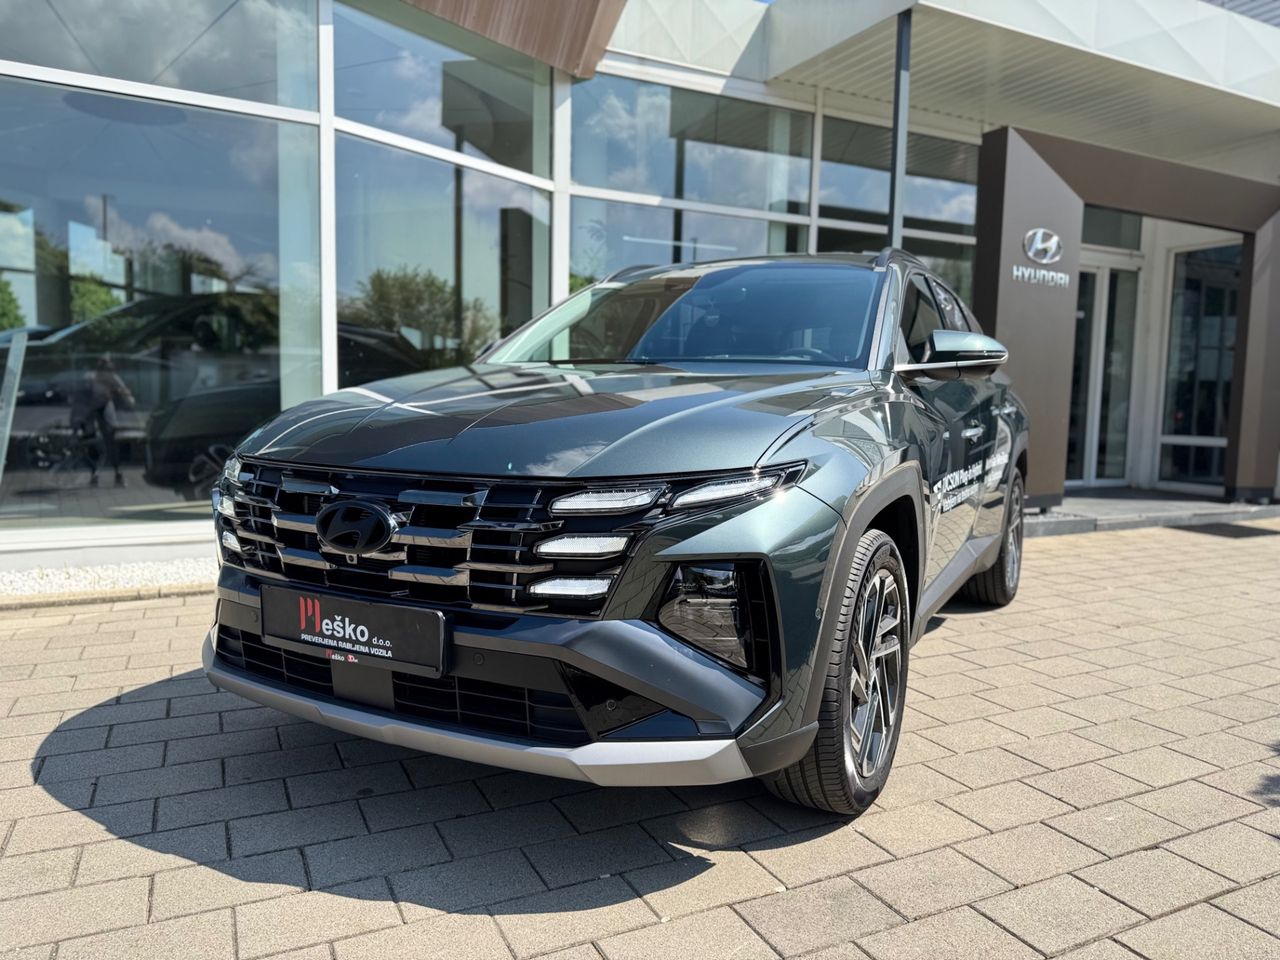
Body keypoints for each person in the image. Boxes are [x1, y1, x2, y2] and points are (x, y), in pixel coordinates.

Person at [83, 355, 133, 487]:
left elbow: (125, 391)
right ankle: (96, 474)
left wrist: (119, 392)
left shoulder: (112, 377)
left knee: (110, 442)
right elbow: (84, 393)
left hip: (104, 409)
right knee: (92, 443)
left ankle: (117, 474)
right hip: (92, 410)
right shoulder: (90, 376)